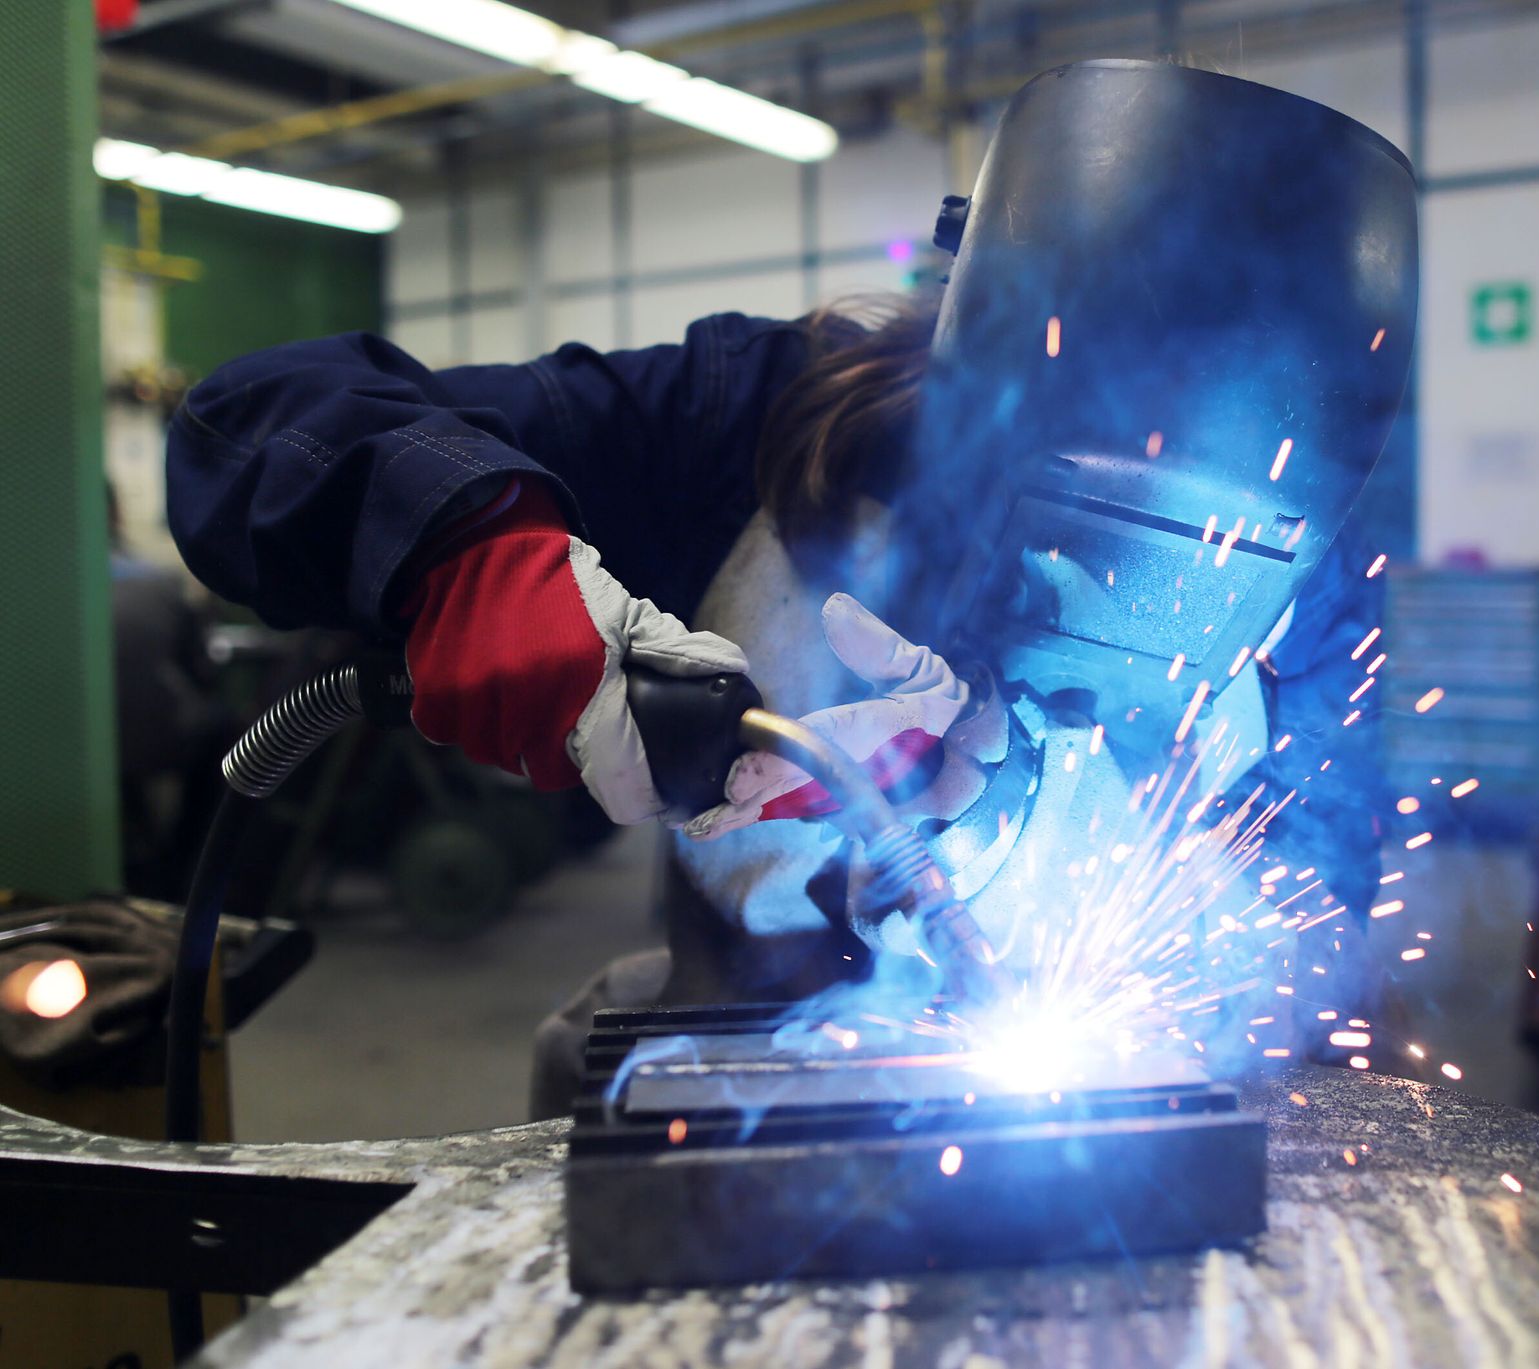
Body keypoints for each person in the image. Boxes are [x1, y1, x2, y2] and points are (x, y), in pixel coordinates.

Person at [166, 59, 1416, 1116]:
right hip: (722, 1094)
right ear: (971, 365)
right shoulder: (737, 422)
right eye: (1070, 520)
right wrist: (479, 555)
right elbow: (255, 416)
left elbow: (1318, 895)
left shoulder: (1308, 608)